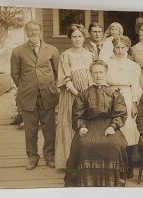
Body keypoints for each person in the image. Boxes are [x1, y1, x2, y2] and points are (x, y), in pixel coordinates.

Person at [65, 60, 128, 187]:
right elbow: (77, 115)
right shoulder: (83, 94)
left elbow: (120, 114)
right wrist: (81, 127)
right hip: (89, 125)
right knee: (83, 143)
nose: (98, 75)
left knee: (115, 144)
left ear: (105, 73)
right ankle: (85, 181)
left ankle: (112, 181)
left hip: (109, 125)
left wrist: (113, 126)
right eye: (95, 72)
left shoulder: (115, 94)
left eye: (101, 72)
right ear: (91, 74)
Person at [10, 20, 59, 170]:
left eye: (36, 30)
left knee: (49, 129)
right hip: (27, 95)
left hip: (47, 95)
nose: (33, 33)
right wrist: (27, 86)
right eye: (30, 30)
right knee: (30, 130)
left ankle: (50, 156)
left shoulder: (51, 49)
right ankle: (32, 157)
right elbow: (15, 74)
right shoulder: (18, 51)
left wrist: (48, 85)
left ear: (40, 31)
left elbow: (57, 72)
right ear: (26, 32)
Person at [54, 24, 93, 169]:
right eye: (74, 36)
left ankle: (86, 159)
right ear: (70, 38)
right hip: (72, 95)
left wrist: (88, 95)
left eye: (80, 36)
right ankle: (70, 161)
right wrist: (78, 94)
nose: (77, 39)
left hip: (87, 95)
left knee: (87, 124)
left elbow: (93, 74)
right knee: (72, 125)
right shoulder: (65, 55)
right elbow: (65, 78)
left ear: (84, 37)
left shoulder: (90, 55)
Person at [106, 36, 142, 178]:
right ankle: (114, 164)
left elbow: (136, 86)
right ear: (113, 48)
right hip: (110, 97)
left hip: (127, 97)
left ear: (128, 48)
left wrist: (134, 103)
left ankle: (128, 165)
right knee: (113, 127)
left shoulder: (133, 66)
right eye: (117, 47)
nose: (120, 50)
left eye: (123, 47)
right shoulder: (107, 63)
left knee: (128, 129)